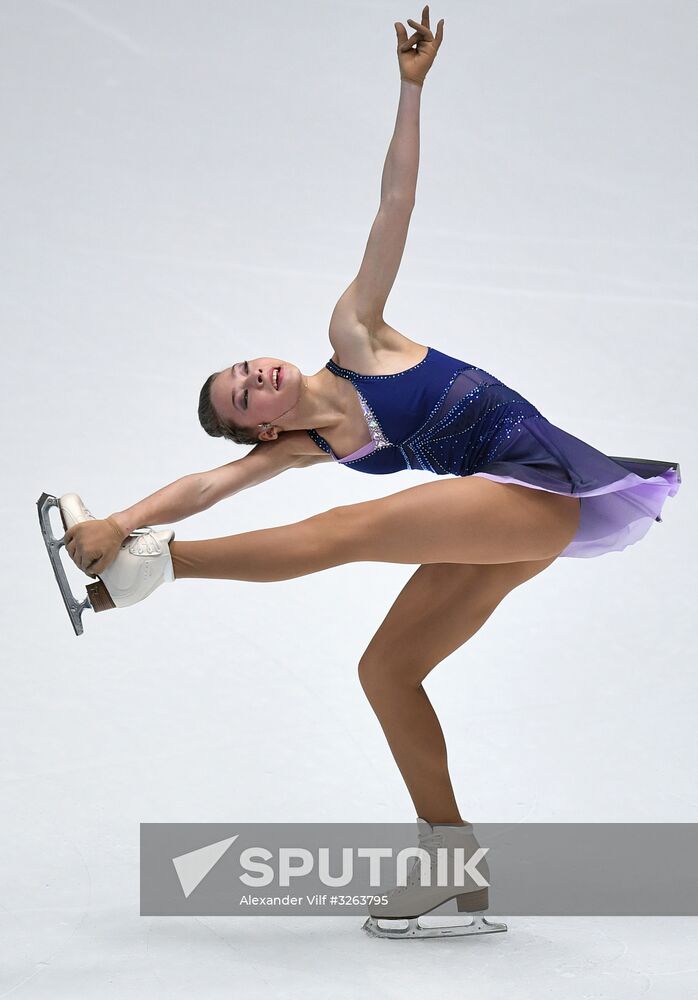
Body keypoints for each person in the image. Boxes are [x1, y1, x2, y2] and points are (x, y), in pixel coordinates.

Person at [58, 7, 680, 934]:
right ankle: (453, 867)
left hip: (542, 487)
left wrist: (411, 87)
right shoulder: (321, 446)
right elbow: (205, 483)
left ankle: (162, 566)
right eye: (243, 397)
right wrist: (115, 516)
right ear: (262, 433)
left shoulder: (356, 335)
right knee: (387, 671)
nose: (255, 375)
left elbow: (396, 205)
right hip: (507, 520)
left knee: (344, 535)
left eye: (245, 367)